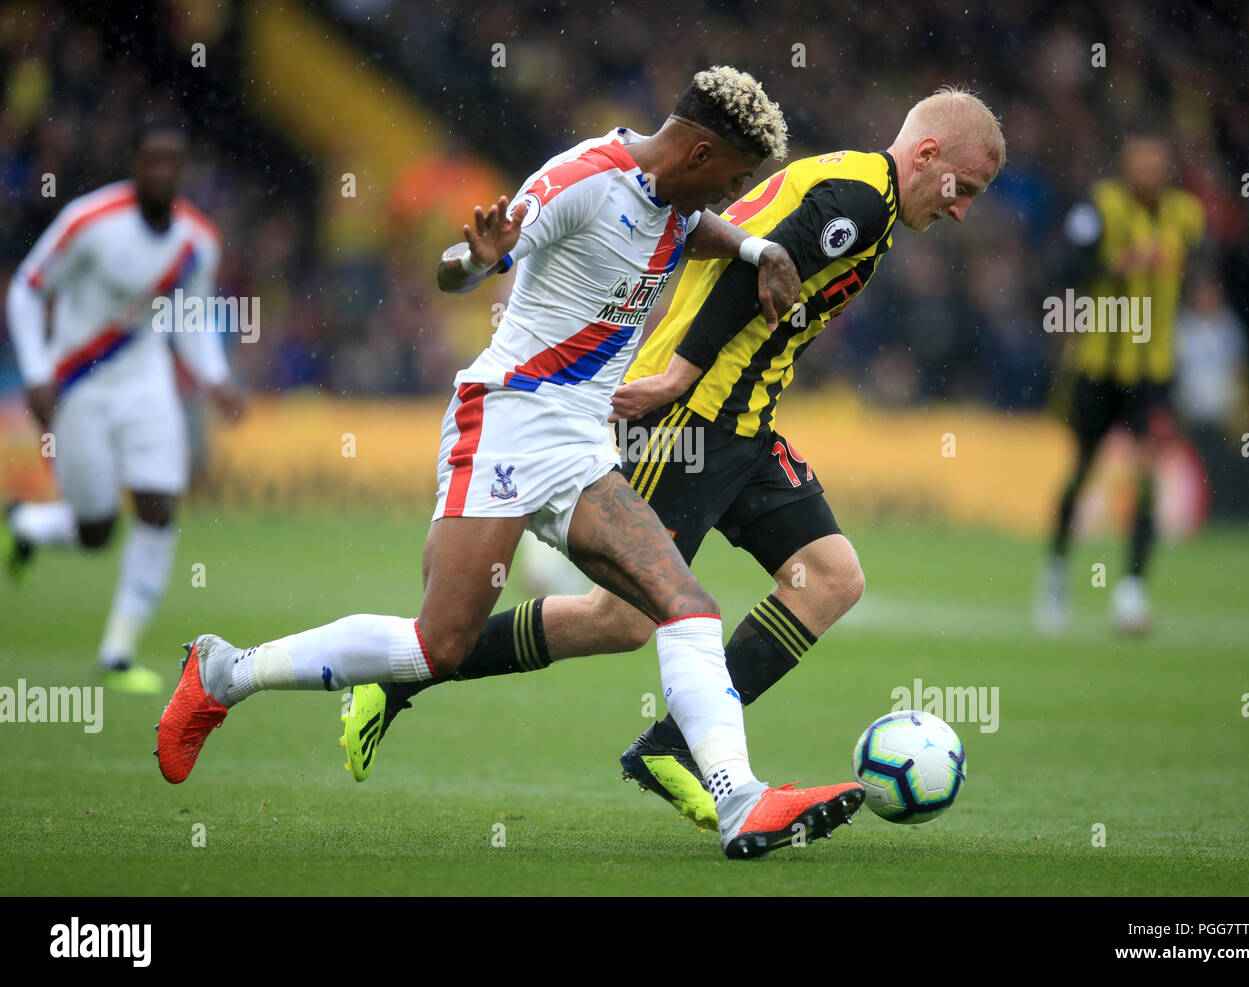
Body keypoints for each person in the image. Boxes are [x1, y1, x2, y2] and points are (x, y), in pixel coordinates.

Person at [155, 67, 867, 860]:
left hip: (579, 443)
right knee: (437, 646)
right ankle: (225, 672)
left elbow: (689, 228)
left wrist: (759, 244)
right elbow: (457, 267)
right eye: (733, 181)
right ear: (699, 152)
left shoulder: (676, 197)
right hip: (504, 423)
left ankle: (742, 802)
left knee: (685, 606)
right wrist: (476, 258)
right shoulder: (580, 180)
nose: (730, 197)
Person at [343, 86, 1006, 831]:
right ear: (927, 156)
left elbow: (740, 245)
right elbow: (747, 270)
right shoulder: (859, 197)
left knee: (829, 577)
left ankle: (671, 747)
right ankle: (402, 674)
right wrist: (680, 374)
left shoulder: (856, 185)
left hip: (745, 420)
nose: (962, 210)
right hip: (691, 417)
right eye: (965, 189)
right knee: (622, 618)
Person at [3, 120, 244, 693]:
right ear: (135, 166)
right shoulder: (89, 221)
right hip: (78, 386)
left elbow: (191, 320)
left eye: (172, 162)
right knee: (96, 530)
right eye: (151, 160)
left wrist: (215, 378)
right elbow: (26, 288)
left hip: (146, 383)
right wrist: (37, 374)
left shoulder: (197, 241)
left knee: (158, 505)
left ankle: (117, 654)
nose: (161, 172)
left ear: (184, 172)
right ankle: (25, 523)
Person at [1038, 133, 1204, 635]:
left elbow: (1203, 274)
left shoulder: (1185, 216)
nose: (1148, 169)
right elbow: (1064, 267)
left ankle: (1131, 594)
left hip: (1154, 374)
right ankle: (1057, 575)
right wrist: (1116, 266)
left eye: (1157, 160)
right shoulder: (1100, 207)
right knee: (1084, 469)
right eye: (1140, 159)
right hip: (1097, 368)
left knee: (1147, 476)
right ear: (1127, 163)